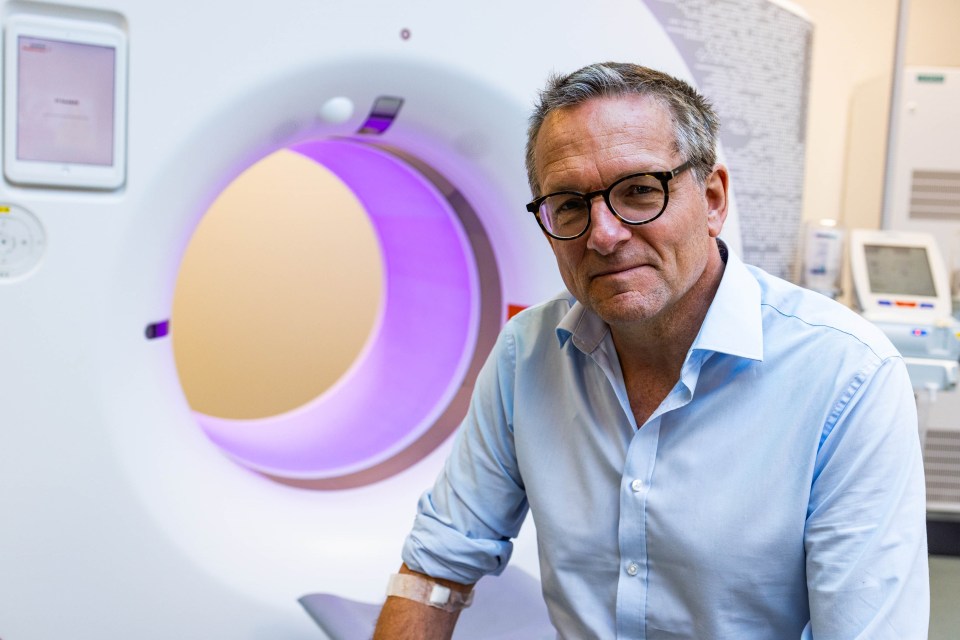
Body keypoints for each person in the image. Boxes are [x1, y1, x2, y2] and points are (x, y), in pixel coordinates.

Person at [373, 62, 930, 639]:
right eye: (569, 204)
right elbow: (434, 569)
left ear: (713, 199)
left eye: (639, 191)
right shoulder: (527, 354)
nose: (604, 235)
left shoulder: (847, 375)